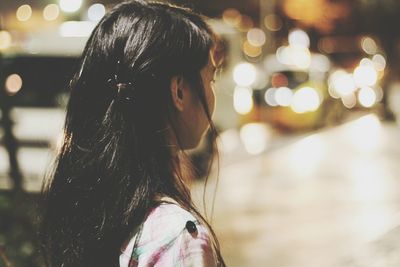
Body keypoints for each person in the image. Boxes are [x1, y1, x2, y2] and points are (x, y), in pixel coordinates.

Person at [39, 1, 226, 266]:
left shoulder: (84, 211)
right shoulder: (178, 238)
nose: (212, 92)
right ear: (179, 91)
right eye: (211, 79)